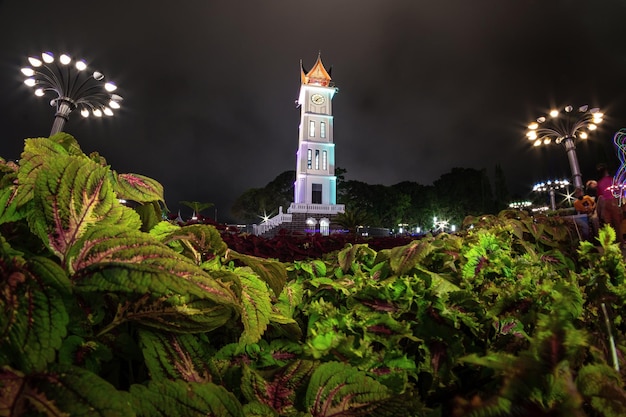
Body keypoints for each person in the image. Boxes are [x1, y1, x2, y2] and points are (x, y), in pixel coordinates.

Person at [596, 163, 624, 245]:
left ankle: (611, 244)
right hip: (613, 202)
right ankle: (620, 243)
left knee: (608, 226)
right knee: (617, 225)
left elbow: (599, 195)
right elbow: (618, 191)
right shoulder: (612, 180)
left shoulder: (599, 182)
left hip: (605, 204)